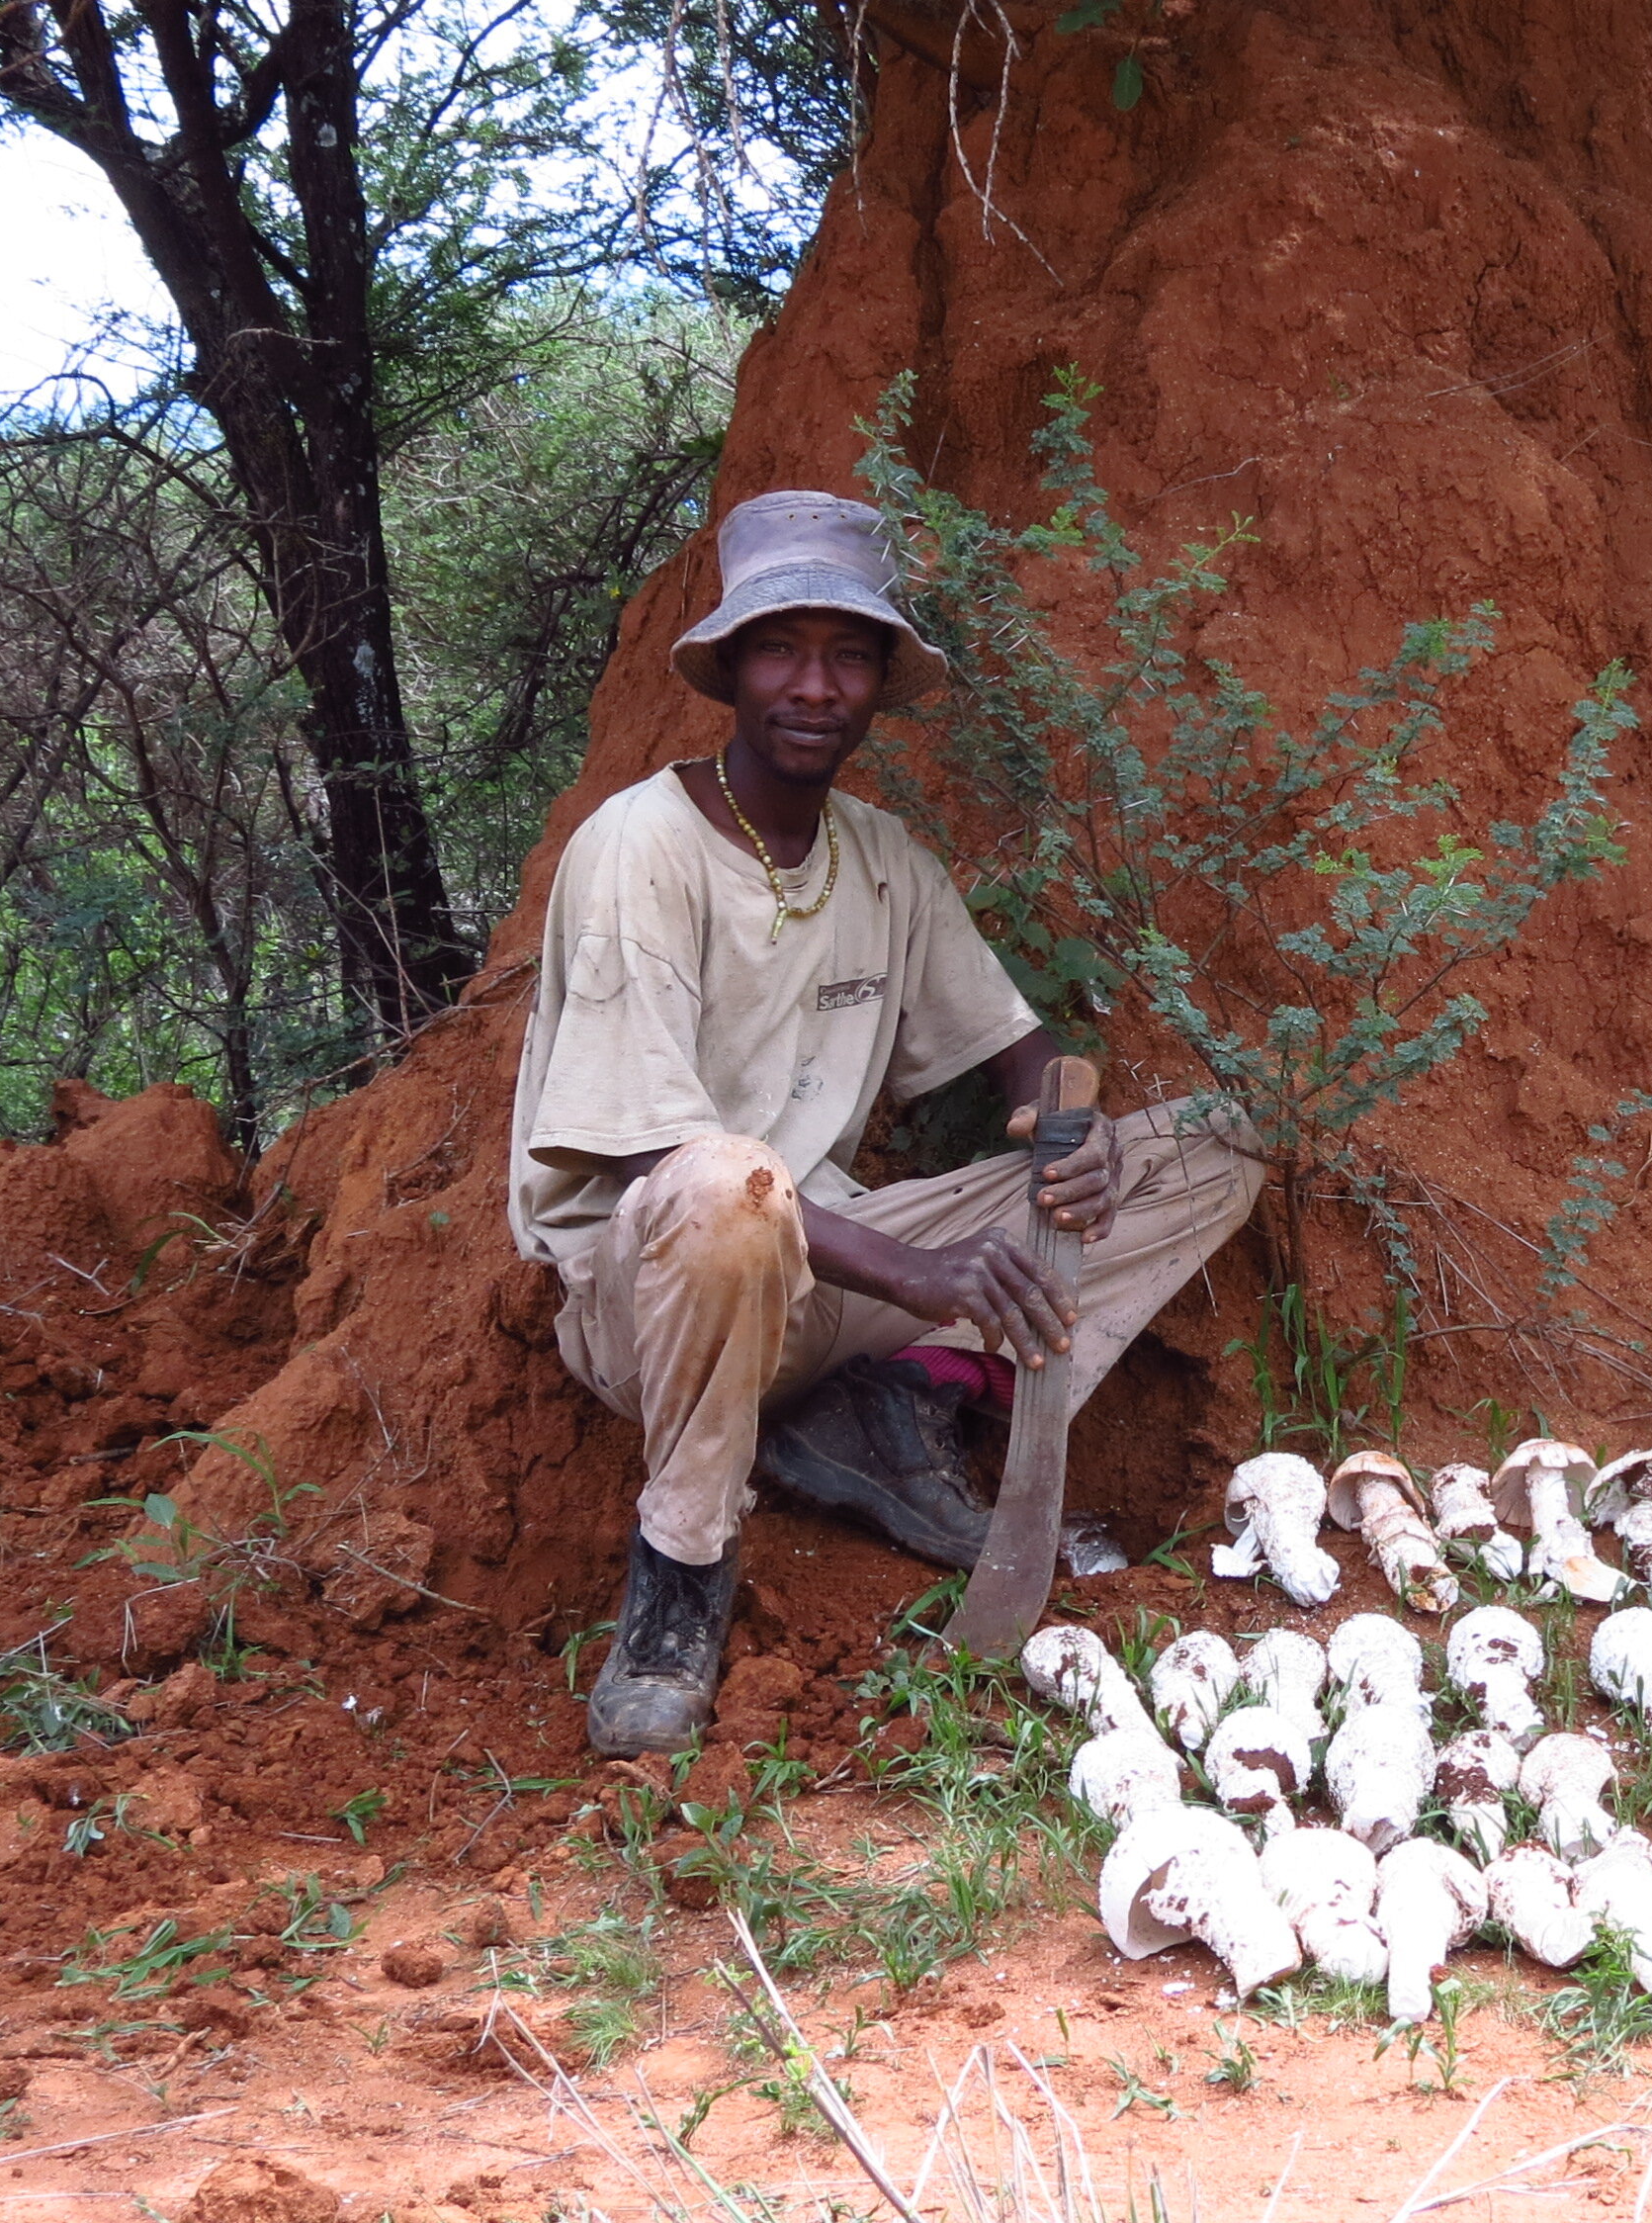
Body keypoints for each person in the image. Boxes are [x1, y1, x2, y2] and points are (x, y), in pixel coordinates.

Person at [507, 489, 1263, 1756]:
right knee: (724, 1184)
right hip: (654, 1292)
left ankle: (892, 1404)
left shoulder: (882, 855)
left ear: (877, 683)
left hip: (826, 1267)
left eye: (848, 654)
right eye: (783, 649)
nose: (815, 684)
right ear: (734, 670)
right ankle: (676, 1588)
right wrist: (917, 1267)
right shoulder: (640, 845)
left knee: (1213, 1145)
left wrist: (1065, 1130)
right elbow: (646, 1147)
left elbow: (1011, 1045)